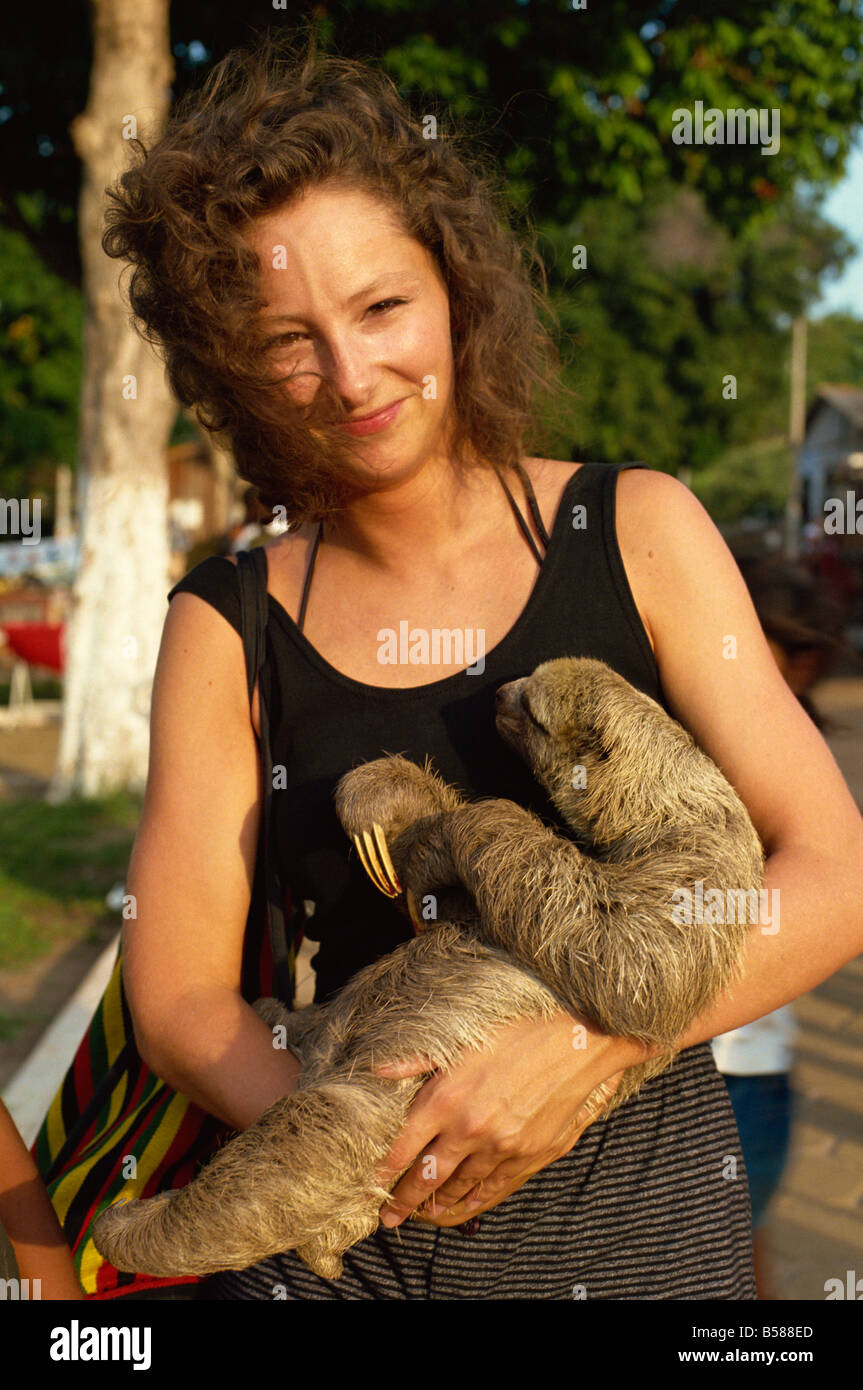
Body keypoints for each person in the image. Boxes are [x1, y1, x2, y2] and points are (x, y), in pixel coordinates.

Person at [101, 34, 863, 1300]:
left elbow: (831, 871)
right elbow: (178, 990)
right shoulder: (225, 621)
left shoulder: (637, 530)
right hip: (354, 1252)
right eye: (287, 339)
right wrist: (374, 1132)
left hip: (639, 1241)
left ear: (456, 287)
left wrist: (583, 1043)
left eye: (381, 308)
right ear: (228, 365)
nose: (351, 377)